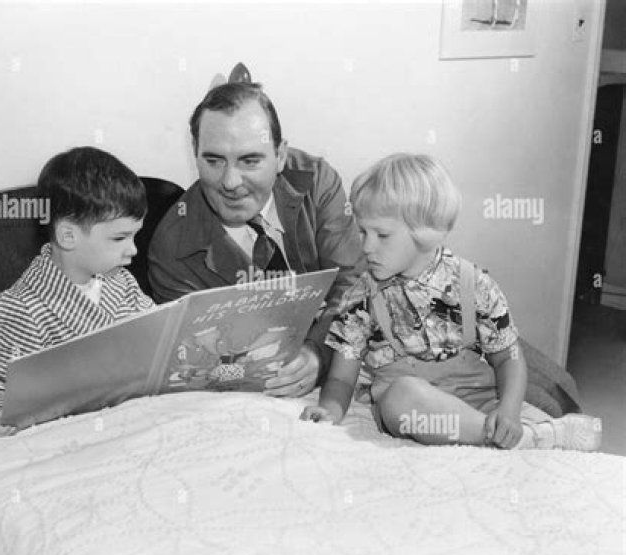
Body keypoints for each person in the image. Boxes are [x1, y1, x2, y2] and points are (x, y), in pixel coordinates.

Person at [300, 153, 601, 451]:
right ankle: (523, 439)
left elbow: (508, 357)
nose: (366, 246)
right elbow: (341, 378)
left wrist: (508, 411)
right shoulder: (360, 297)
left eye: (382, 235)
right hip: (412, 409)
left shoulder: (474, 284)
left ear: (424, 233)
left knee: (536, 410)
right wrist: (330, 410)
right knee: (401, 397)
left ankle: (513, 431)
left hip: (480, 402)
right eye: (362, 232)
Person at [148, 82, 366, 397]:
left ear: (280, 155)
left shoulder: (316, 181)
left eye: (249, 161)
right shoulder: (172, 247)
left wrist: (318, 354)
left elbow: (353, 285)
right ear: (195, 154)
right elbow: (191, 356)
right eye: (213, 161)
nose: (230, 182)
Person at [0, 146, 156, 437]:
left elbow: (155, 335)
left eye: (135, 236)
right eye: (120, 238)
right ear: (68, 236)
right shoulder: (21, 308)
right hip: (68, 433)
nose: (133, 250)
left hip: (128, 420)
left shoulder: (123, 283)